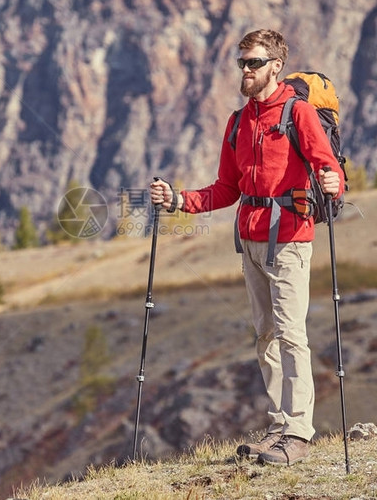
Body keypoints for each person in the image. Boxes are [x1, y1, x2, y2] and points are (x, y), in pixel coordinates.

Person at [149, 29, 343, 467]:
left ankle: (297, 432)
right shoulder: (239, 121)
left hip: (291, 239)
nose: (246, 70)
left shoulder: (298, 115)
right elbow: (225, 189)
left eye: (254, 63)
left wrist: (334, 183)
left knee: (292, 334)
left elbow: (329, 170)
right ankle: (278, 427)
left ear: (276, 66)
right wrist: (178, 200)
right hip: (251, 240)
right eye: (242, 62)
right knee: (266, 335)